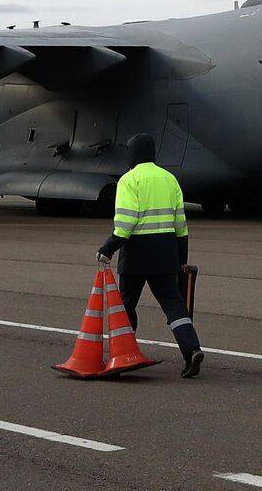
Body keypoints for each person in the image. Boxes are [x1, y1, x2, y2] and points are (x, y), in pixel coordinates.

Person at [97, 134, 203, 379]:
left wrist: (107, 248)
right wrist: (181, 259)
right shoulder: (169, 179)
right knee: (174, 305)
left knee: (126, 305)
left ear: (132, 154)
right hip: (166, 252)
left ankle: (122, 355)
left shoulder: (129, 180)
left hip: (136, 253)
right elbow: (181, 225)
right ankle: (192, 350)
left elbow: (125, 224)